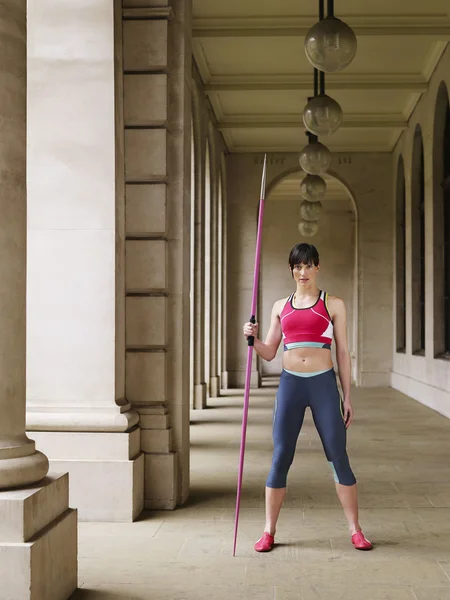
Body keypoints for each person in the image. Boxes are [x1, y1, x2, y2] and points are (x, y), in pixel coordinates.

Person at [242, 242, 372, 553]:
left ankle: (356, 530)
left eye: (308, 265)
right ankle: (268, 531)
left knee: (337, 455)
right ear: (291, 270)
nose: (303, 272)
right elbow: (270, 352)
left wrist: (348, 396)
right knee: (281, 455)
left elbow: (342, 351)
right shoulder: (279, 306)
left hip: (323, 384)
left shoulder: (333, 304)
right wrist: (252, 338)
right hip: (291, 385)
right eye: (297, 267)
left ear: (317, 267)